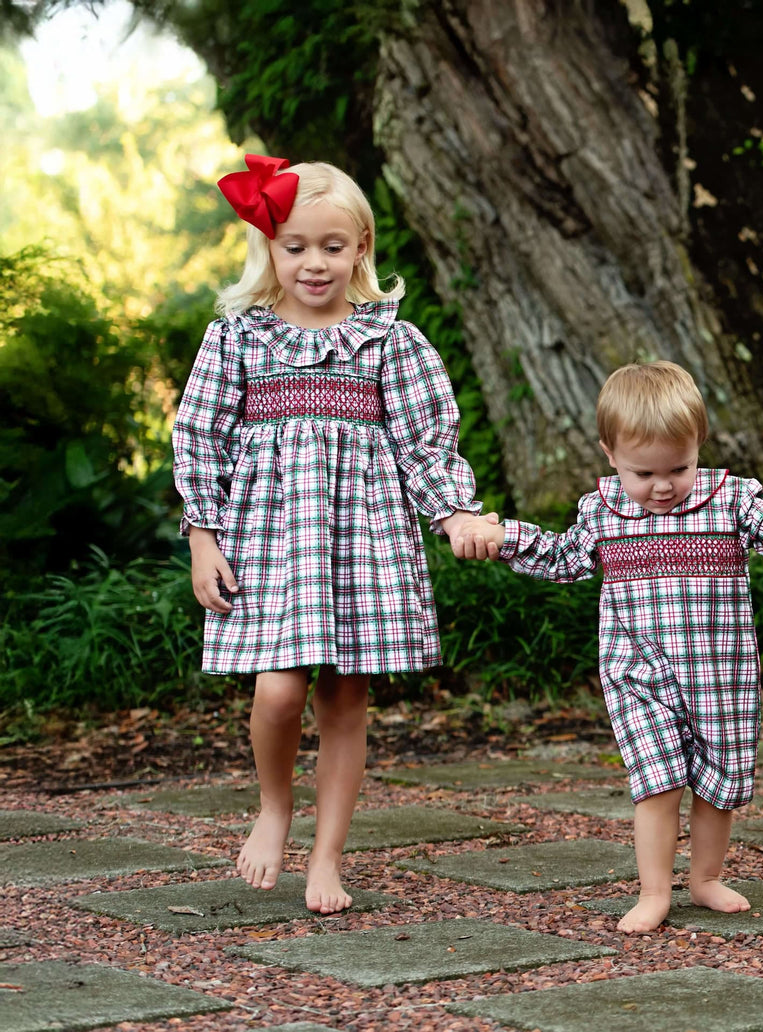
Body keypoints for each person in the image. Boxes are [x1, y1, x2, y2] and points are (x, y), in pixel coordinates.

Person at [173, 155, 497, 914]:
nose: (313, 262)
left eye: (331, 246)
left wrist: (453, 511)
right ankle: (274, 807)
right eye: (294, 246)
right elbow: (199, 439)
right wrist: (202, 536)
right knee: (279, 692)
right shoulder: (236, 341)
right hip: (271, 546)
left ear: (360, 249)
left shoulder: (391, 342)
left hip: (362, 543)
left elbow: (425, 443)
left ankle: (327, 857)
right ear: (269, 251)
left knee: (345, 701)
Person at [464, 361, 763, 933]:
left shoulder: (730, 499)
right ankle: (654, 891)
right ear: (609, 454)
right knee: (657, 780)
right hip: (638, 672)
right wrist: (506, 536)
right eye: (644, 473)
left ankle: (706, 877)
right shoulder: (603, 512)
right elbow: (562, 558)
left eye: (678, 468)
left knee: (719, 782)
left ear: (699, 446)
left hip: (723, 673)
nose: (662, 486)